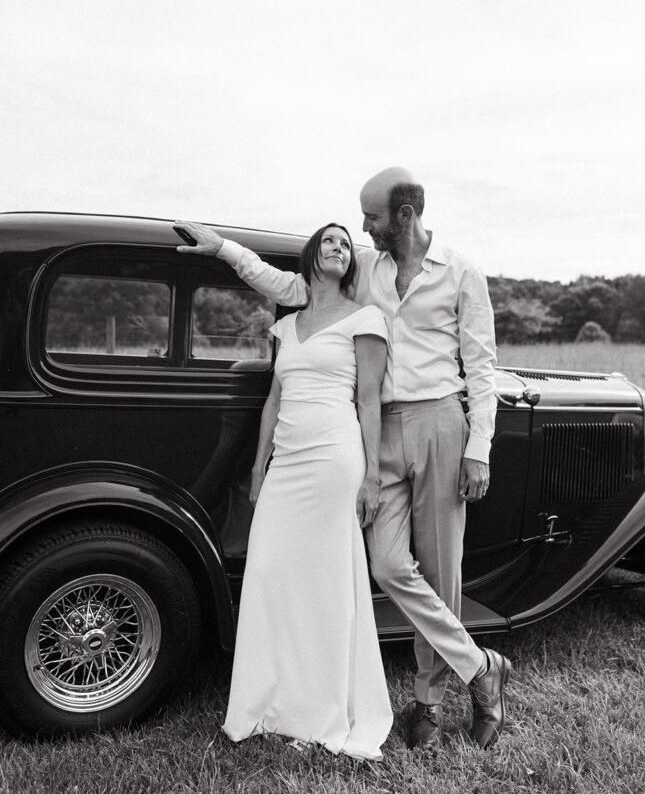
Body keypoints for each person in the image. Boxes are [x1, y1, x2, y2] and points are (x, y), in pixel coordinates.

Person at [175, 166, 510, 751]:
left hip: (438, 421)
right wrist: (227, 250)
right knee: (385, 564)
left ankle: (429, 702)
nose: (362, 228)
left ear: (403, 216)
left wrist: (478, 449)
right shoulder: (365, 269)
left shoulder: (462, 273)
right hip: (375, 432)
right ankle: (483, 666)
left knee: (440, 569)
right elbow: (292, 286)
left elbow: (481, 369)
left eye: (371, 217)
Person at [180, 222, 393, 759]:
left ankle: (319, 712)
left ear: (351, 262)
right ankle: (266, 699)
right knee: (272, 574)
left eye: (347, 244)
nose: (339, 248)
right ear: (312, 253)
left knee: (323, 583)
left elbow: (369, 402)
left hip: (333, 458)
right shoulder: (289, 324)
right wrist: (258, 466)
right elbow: (273, 399)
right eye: (330, 240)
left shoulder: (366, 320)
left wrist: (372, 475)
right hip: (287, 461)